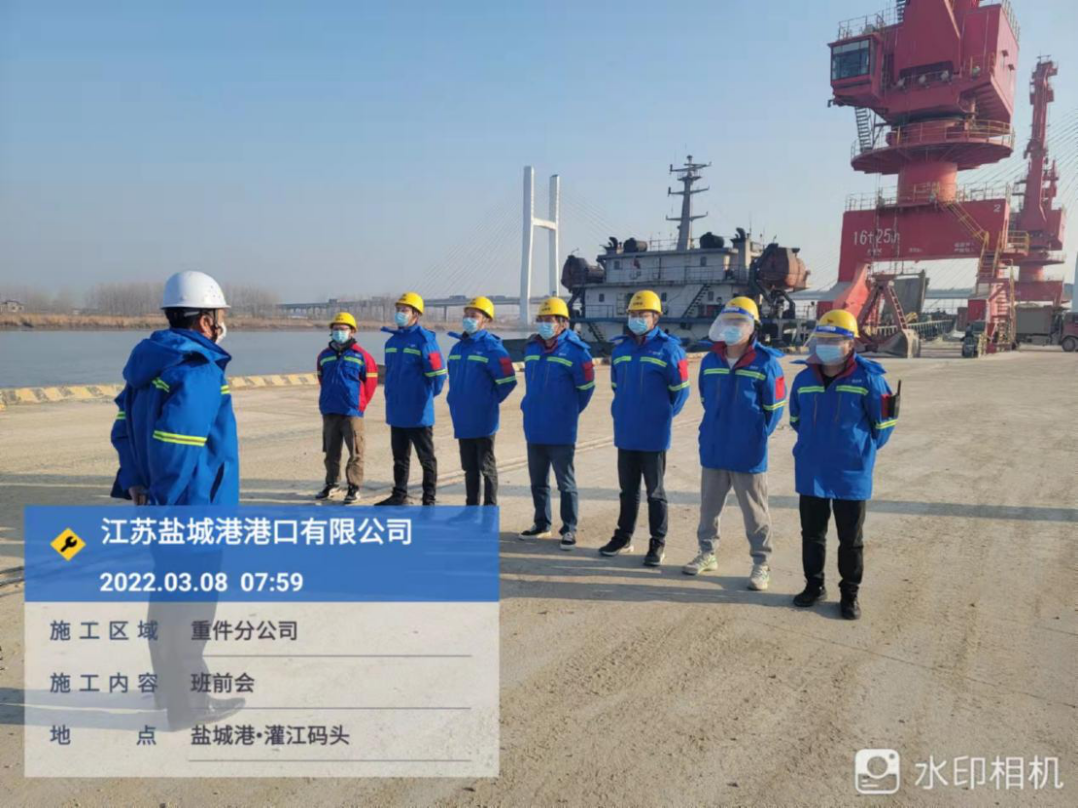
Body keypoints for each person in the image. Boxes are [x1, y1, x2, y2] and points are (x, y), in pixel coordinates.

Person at [109, 269, 242, 729]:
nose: (221, 323)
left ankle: (167, 690)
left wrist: (135, 482)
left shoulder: (148, 364)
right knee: (192, 611)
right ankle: (192, 706)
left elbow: (124, 429)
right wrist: (165, 500)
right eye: (218, 315)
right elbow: (177, 444)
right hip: (193, 510)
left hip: (158, 505)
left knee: (166, 601)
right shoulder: (198, 369)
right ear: (205, 320)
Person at [788, 309, 898, 620]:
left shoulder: (870, 378)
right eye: (822, 339)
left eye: (834, 340)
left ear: (851, 344)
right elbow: (796, 419)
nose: (827, 346)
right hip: (812, 469)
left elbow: (884, 424)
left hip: (851, 471)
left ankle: (849, 594)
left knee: (850, 539)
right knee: (812, 534)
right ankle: (814, 586)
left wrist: (858, 450)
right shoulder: (804, 379)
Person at [684, 297, 786, 590]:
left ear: (752, 327)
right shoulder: (710, 361)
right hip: (715, 446)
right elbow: (706, 399)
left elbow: (774, 409)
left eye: (739, 322)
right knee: (709, 508)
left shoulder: (766, 363)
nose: (732, 327)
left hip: (747, 450)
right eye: (728, 321)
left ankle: (761, 563)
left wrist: (754, 435)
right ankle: (707, 553)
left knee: (755, 512)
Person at [599, 290, 690, 566]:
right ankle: (623, 537)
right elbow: (617, 387)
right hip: (626, 432)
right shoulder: (621, 350)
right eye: (633, 314)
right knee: (627, 490)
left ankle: (657, 542)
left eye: (643, 314)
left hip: (653, 435)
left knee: (655, 492)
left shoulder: (670, 350)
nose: (637, 319)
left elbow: (681, 392)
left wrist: (661, 416)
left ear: (656, 318)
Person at [518, 296, 595, 550]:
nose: (544, 324)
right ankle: (541, 523)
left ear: (562, 323)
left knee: (565, 483)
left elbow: (586, 389)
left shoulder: (576, 351)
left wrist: (568, 411)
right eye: (540, 319)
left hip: (561, 428)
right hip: (535, 426)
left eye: (548, 319)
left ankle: (569, 528)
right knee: (538, 481)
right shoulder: (532, 348)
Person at [375, 292, 447, 506]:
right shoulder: (391, 342)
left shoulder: (425, 341)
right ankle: (399, 494)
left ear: (416, 314)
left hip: (418, 412)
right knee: (399, 458)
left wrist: (424, 396)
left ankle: (429, 498)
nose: (400, 314)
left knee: (426, 458)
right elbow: (390, 374)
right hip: (396, 410)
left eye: (404, 310)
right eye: (398, 310)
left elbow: (438, 375)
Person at [445, 296, 517, 506]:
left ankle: (489, 508)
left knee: (486, 466)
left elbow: (508, 382)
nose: (468, 319)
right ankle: (471, 508)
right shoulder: (458, 348)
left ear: (486, 319)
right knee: (469, 467)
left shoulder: (493, 349)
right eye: (466, 315)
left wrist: (488, 401)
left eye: (474, 316)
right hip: (462, 417)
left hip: (483, 418)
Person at [314, 312, 378, 504]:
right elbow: (322, 379)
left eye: (343, 329)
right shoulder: (324, 355)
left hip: (352, 411)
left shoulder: (362, 356)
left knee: (356, 451)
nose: (339, 332)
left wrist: (360, 404)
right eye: (336, 329)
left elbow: (370, 384)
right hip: (330, 410)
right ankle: (332, 483)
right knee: (331, 452)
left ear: (352, 331)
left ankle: (354, 487)